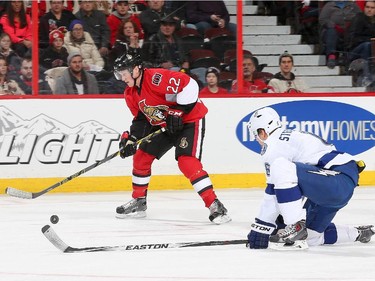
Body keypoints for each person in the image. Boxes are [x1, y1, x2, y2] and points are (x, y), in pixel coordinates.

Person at [112, 53, 231, 224]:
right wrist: (132, 139)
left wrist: (180, 109)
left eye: (124, 73)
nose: (122, 78)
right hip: (165, 125)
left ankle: (215, 205)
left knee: (187, 162)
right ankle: (139, 202)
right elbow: (141, 120)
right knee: (141, 157)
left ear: (136, 69)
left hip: (190, 120)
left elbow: (189, 84)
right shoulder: (130, 94)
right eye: (119, 74)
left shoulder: (156, 78)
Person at [246, 106, 374, 249]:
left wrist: (261, 228)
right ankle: (358, 233)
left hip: (336, 180)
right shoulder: (290, 137)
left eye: (256, 136)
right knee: (311, 237)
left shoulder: (273, 145)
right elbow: (293, 185)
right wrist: (279, 221)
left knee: (280, 166)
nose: (257, 140)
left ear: (262, 132)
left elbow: (273, 192)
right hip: (333, 185)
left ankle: (295, 225)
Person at [319, 1, 361, 69]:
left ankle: (349, 58)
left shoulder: (353, 5)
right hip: (333, 30)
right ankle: (331, 56)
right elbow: (322, 19)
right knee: (331, 31)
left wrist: (352, 25)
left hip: (350, 31)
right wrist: (333, 25)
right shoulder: (329, 5)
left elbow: (360, 17)